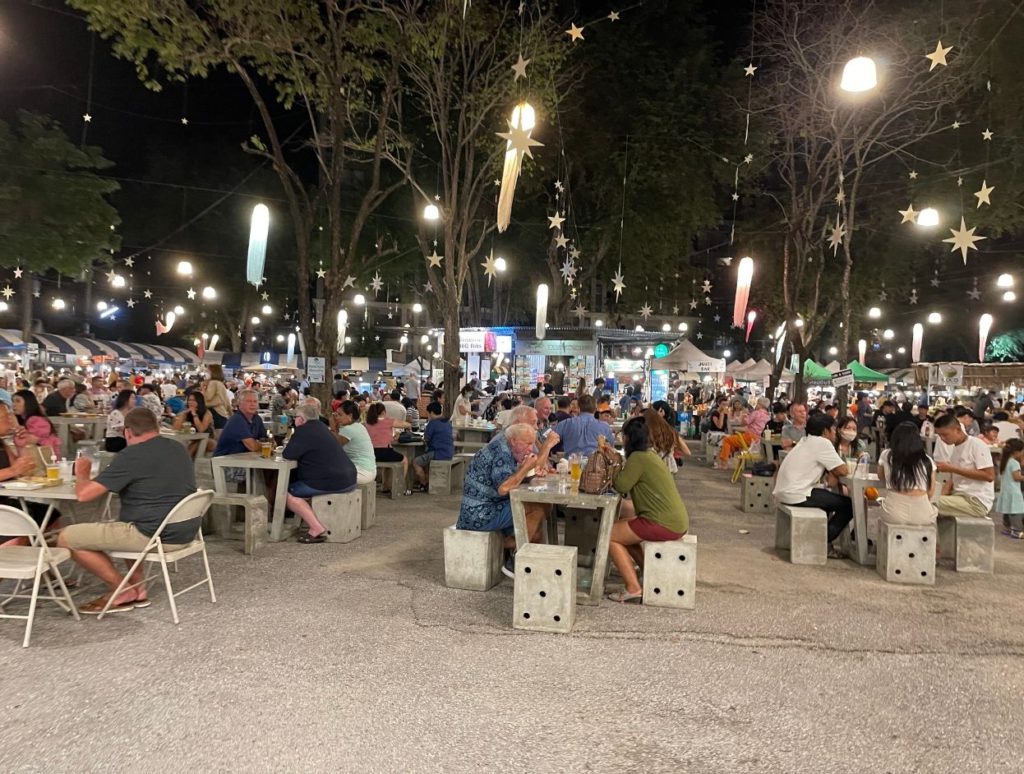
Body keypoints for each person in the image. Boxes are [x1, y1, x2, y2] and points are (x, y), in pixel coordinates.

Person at [56, 408, 198, 614]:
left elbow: (84, 495)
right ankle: (138, 588)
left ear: (127, 432)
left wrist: (81, 474)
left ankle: (121, 589)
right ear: (157, 427)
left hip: (154, 534)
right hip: (185, 530)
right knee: (125, 521)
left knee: (66, 538)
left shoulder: (131, 455)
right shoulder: (178, 448)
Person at [598, 417, 688, 603]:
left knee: (608, 535)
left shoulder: (638, 458)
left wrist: (612, 464)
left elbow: (621, 486)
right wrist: (617, 458)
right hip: (675, 521)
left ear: (628, 438)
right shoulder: (649, 455)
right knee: (621, 529)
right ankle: (649, 572)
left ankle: (633, 587)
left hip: (661, 523)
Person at [456, 423, 550, 576]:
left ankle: (531, 567)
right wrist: (526, 468)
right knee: (538, 508)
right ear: (513, 441)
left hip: (489, 506)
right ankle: (514, 557)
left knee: (538, 527)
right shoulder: (501, 452)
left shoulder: (505, 447)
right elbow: (504, 488)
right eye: (527, 443)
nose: (531, 449)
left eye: (532, 444)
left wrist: (531, 472)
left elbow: (509, 480)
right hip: (478, 514)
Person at [773, 414, 852, 556]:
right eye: (833, 429)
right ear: (825, 431)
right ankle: (820, 542)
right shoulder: (822, 443)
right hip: (797, 493)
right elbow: (842, 470)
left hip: (786, 491)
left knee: (828, 500)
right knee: (849, 506)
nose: (835, 432)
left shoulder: (806, 441)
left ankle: (825, 543)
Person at [283, 403, 357, 544]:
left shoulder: (303, 431)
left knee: (286, 493)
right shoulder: (322, 428)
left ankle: (316, 528)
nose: (294, 420)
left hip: (331, 481)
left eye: (296, 417)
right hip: (349, 479)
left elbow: (288, 454)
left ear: (302, 419)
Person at [933, 413, 995, 518]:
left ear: (957, 430)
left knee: (929, 503)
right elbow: (951, 481)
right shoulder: (955, 449)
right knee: (927, 500)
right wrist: (939, 495)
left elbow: (989, 476)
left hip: (976, 501)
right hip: (959, 497)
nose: (942, 439)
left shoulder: (977, 445)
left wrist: (952, 469)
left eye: (945, 435)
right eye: (939, 435)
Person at [877, 423, 937, 526]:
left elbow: (881, 477)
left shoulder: (886, 455)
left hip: (894, 511)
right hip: (922, 513)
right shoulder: (928, 461)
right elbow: (930, 492)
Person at [365, 402, 412, 495]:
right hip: (385, 451)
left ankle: (385, 486)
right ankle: (400, 485)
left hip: (371, 453)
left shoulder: (367, 423)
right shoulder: (388, 421)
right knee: (405, 460)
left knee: (386, 466)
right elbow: (407, 425)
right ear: (383, 412)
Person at [331, 400, 377, 485]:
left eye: (340, 415)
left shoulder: (349, 429)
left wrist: (333, 426)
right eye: (336, 414)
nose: (336, 417)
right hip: (368, 470)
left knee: (325, 475)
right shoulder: (358, 426)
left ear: (350, 416)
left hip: (362, 472)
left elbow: (333, 445)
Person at [716, 396, 770, 469]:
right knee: (732, 442)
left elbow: (744, 422)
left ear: (760, 405)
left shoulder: (756, 413)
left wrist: (745, 415)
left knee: (727, 440)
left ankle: (724, 463)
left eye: (757, 404)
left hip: (749, 437)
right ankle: (728, 461)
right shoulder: (768, 416)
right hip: (758, 439)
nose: (756, 405)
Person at [413, 402, 454, 491]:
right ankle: (425, 481)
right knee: (425, 458)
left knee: (416, 462)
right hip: (449, 452)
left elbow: (426, 439)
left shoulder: (432, 424)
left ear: (431, 413)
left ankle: (423, 484)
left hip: (438, 453)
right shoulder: (447, 422)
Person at [214, 389, 267, 456]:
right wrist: (264, 445)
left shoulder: (257, 419)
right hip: (225, 461)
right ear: (239, 404)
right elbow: (253, 447)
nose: (252, 404)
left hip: (244, 460)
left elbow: (266, 440)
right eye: (248, 401)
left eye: (255, 401)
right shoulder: (237, 419)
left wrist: (266, 444)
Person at [11, 389, 61, 457]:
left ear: (28, 403)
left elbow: (25, 439)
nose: (13, 405)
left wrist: (15, 424)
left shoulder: (36, 420)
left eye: (18, 401)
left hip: (45, 458)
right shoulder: (25, 419)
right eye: (13, 401)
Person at [644, 407, 690, 473]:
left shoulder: (647, 433)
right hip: (670, 469)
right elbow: (687, 452)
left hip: (655, 470)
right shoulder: (671, 432)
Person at [996, 438, 1024, 538]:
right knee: (1017, 511)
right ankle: (1016, 530)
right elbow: (1016, 477)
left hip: (1006, 490)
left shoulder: (1005, 461)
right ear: (1017, 451)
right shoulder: (1014, 463)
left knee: (1008, 509)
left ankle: (1008, 528)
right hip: (1014, 490)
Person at [172, 391, 214, 458]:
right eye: (189, 400)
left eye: (194, 400)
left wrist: (195, 415)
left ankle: (186, 463)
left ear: (199, 401)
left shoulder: (207, 413)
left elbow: (201, 429)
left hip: (209, 440)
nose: (191, 402)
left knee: (196, 444)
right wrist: (183, 415)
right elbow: (175, 429)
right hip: (193, 440)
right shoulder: (186, 413)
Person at [202, 364, 232, 430]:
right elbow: (227, 402)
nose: (206, 373)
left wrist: (203, 388)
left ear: (212, 372)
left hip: (215, 413)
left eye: (207, 371)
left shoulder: (213, 382)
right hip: (222, 414)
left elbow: (208, 397)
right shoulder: (221, 384)